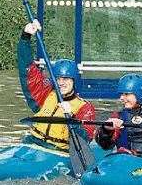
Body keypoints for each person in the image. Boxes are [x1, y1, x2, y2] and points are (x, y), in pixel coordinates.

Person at [18, 19, 96, 150]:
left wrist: (71, 117)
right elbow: (27, 71)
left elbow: (85, 138)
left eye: (66, 79)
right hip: (31, 143)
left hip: (56, 150)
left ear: (74, 81)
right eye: (58, 78)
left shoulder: (85, 108)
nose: (61, 83)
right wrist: (25, 37)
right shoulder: (45, 94)